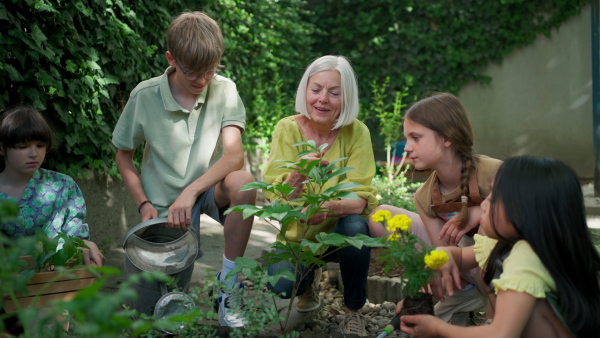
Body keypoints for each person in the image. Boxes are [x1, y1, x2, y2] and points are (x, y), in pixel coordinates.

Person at [111, 11, 255, 327]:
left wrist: (190, 191)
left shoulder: (225, 89)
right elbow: (124, 157)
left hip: (205, 192)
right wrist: (144, 205)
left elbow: (234, 157)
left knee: (244, 183)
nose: (203, 81)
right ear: (171, 59)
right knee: (161, 317)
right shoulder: (144, 95)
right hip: (163, 208)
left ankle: (229, 285)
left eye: (210, 71)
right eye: (193, 73)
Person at [397, 156, 600, 337]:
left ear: (525, 213)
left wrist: (436, 329)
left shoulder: (525, 258)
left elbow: (501, 334)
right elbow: (460, 256)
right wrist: (444, 255)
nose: (484, 204)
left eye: (494, 198)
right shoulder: (507, 244)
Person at [263, 55, 378, 336]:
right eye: (316, 90)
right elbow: (276, 198)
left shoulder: (357, 132)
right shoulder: (287, 128)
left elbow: (360, 199)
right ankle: (307, 284)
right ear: (305, 90)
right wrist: (297, 177)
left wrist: (327, 208)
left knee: (355, 226)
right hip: (299, 234)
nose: (322, 99)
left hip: (338, 232)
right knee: (279, 285)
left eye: (334, 93)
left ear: (346, 97)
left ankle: (353, 311)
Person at [368, 92, 502, 322]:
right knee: (381, 216)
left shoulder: (493, 172)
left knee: (487, 231)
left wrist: (478, 213)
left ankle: (495, 318)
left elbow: (526, 221)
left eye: (416, 138)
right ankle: (460, 291)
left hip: (501, 264)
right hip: (462, 263)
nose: (407, 148)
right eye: (406, 138)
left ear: (447, 137)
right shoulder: (425, 196)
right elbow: (441, 254)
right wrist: (421, 293)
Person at [0, 106, 104, 266]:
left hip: (57, 280)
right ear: (2, 147)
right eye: (23, 146)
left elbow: (76, 237)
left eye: (40, 145)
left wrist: (86, 246)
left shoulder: (63, 186)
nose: (33, 153)